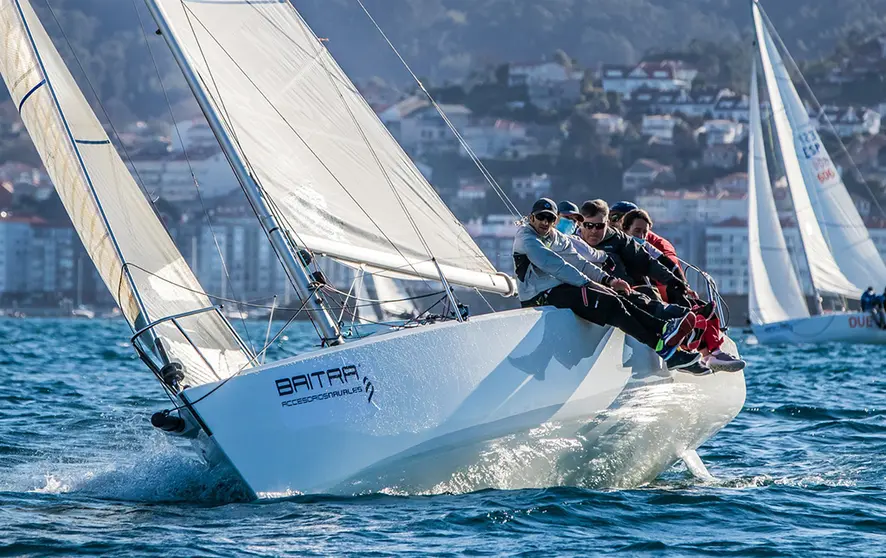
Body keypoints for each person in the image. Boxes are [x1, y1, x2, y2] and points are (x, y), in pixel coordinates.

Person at [514, 198, 706, 372]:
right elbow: (555, 265)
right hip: (538, 296)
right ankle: (665, 335)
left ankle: (667, 342)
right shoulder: (527, 238)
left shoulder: (556, 237)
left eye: (549, 218)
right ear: (531, 217)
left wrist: (609, 280)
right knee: (610, 304)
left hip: (559, 288)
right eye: (540, 217)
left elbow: (580, 261)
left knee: (615, 298)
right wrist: (591, 284)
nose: (544, 222)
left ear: (554, 220)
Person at [582, 199, 745, 372]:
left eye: (599, 226)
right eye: (589, 225)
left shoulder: (626, 240)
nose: (594, 230)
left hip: (633, 290)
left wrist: (678, 283)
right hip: (605, 293)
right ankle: (682, 340)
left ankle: (704, 350)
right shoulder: (574, 241)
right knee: (642, 298)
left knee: (680, 299)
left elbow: (655, 262)